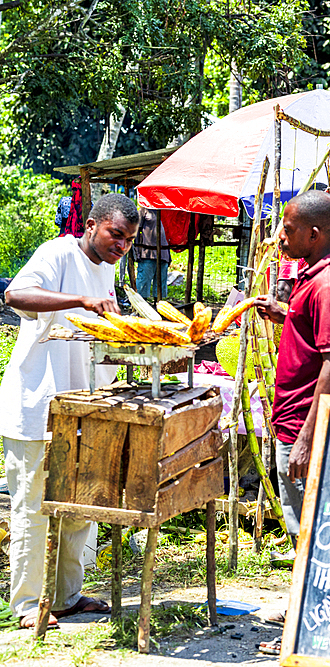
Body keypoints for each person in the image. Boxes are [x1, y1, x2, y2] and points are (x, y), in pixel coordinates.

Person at [0, 193, 139, 629]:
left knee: (79, 507)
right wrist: (78, 300)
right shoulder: (57, 253)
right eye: (117, 235)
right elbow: (16, 294)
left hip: (81, 407)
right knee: (32, 509)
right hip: (35, 404)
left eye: (130, 240)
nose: (122, 246)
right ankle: (26, 604)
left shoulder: (108, 269)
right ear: (93, 224)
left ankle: (65, 597)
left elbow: (93, 337)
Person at [253, 191, 330, 623]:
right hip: (298, 418)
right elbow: (321, 340)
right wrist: (288, 315)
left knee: (309, 526)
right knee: (311, 523)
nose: (281, 236)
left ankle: (315, 616)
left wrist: (305, 438)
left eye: (289, 229)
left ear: (314, 234)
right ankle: (315, 605)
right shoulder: (321, 274)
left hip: (305, 423)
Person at [134, 208, 171, 300]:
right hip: (147, 254)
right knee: (143, 283)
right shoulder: (144, 210)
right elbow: (136, 231)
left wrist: (169, 254)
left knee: (160, 285)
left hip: (163, 253)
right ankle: (140, 308)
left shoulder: (166, 210)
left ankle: (158, 307)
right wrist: (137, 250)